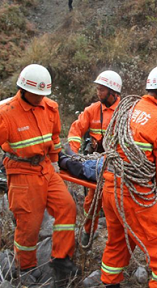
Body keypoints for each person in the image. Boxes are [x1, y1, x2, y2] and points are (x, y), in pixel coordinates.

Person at [100, 65, 157, 288]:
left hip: (111, 188)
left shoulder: (126, 110)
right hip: (136, 195)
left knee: (118, 240)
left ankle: (110, 283)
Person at [0, 64, 78, 286]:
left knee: (67, 207)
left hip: (45, 168)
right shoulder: (6, 113)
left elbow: (54, 139)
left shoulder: (50, 107)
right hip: (22, 171)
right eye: (36, 94)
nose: (40, 99)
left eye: (43, 95)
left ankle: (61, 257)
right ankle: (26, 266)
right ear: (23, 90)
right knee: (29, 224)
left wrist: (55, 164)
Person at [67, 70, 122, 246]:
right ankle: (88, 230)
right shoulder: (92, 110)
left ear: (113, 92)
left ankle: (117, 241)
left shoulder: (125, 111)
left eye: (101, 90)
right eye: (97, 89)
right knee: (92, 201)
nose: (98, 93)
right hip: (98, 164)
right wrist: (74, 154)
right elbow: (76, 130)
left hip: (118, 165)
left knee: (118, 205)